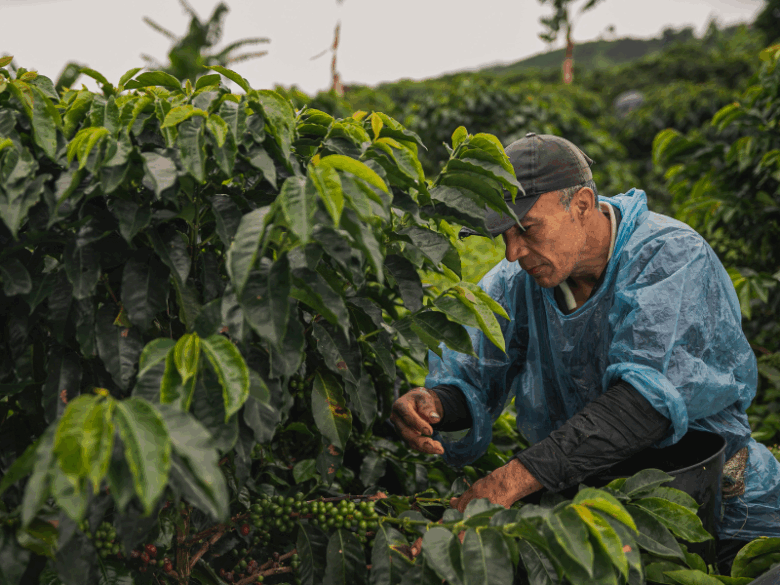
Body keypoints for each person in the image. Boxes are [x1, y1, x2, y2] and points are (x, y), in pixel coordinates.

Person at [390, 133, 780, 566]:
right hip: (599, 511)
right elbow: (476, 376)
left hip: (717, 504)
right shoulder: (518, 283)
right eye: (504, 235)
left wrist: (511, 480)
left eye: (527, 229)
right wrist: (435, 405)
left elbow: (646, 404)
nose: (513, 252)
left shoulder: (670, 257)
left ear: (581, 204)